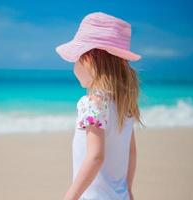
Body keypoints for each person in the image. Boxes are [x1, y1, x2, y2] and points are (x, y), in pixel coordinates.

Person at [55, 12, 144, 200]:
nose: (74, 68)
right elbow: (131, 151)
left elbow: (95, 156)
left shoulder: (91, 104)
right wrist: (128, 188)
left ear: (87, 59)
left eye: (75, 60)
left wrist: (71, 196)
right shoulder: (124, 105)